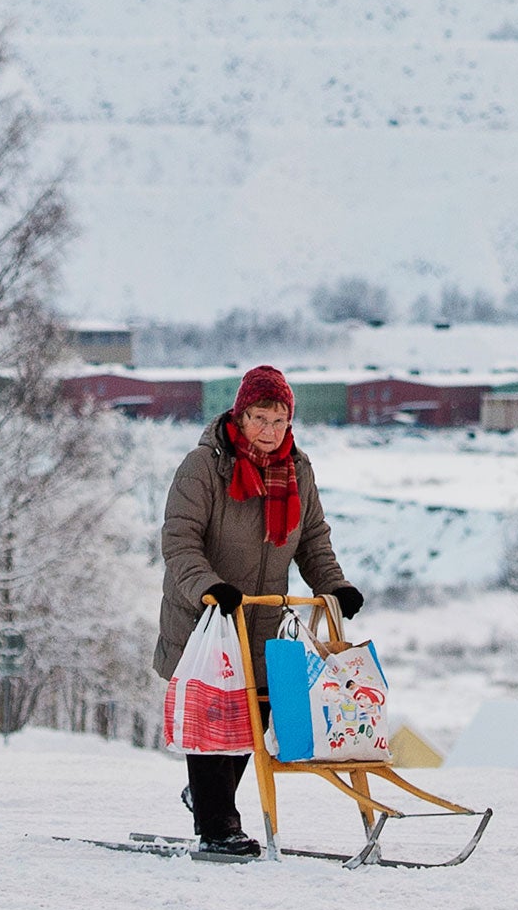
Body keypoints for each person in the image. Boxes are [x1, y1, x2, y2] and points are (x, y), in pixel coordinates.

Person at [155, 364, 363, 857]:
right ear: (239, 414)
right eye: (259, 418)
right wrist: (209, 587)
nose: (269, 432)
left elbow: (312, 538)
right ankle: (218, 824)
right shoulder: (205, 466)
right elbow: (179, 540)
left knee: (254, 714)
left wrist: (335, 584)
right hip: (207, 615)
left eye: (278, 420)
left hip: (264, 615)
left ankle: (207, 798)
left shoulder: (298, 469)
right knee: (215, 716)